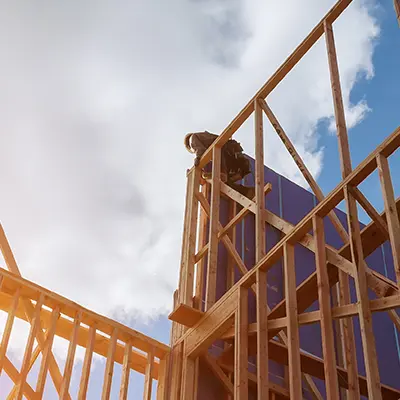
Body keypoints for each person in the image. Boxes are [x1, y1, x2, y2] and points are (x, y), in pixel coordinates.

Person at [184, 131, 255, 199]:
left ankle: (245, 191)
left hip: (227, 152)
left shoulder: (192, 138)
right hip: (235, 158)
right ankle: (247, 192)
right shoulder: (206, 139)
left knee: (221, 178)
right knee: (225, 182)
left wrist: (197, 162)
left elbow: (200, 151)